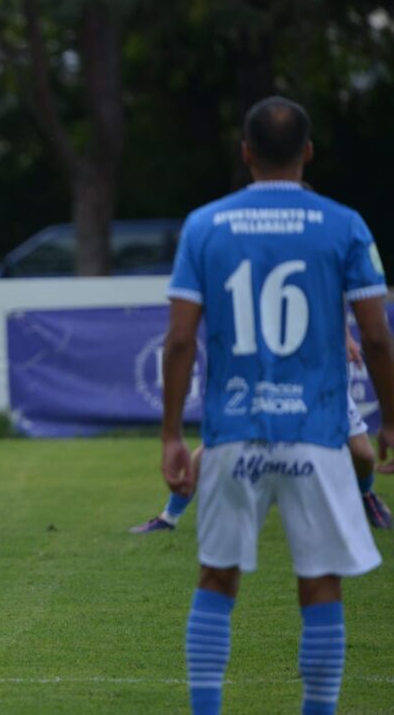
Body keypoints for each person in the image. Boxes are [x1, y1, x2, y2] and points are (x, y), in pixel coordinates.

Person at [160, 96, 394, 714]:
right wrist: (391, 416)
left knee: (217, 577)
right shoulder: (345, 224)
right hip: (316, 432)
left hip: (234, 429)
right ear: (308, 153)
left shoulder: (205, 225)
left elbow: (181, 339)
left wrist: (170, 436)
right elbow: (375, 335)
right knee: (319, 582)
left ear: (245, 153)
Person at [134, 336, 391, 533]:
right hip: (273, 372)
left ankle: (365, 495)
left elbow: (338, 296)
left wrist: (344, 334)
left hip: (321, 374)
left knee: (362, 454)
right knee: (218, 443)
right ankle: (169, 516)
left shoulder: (326, 271)